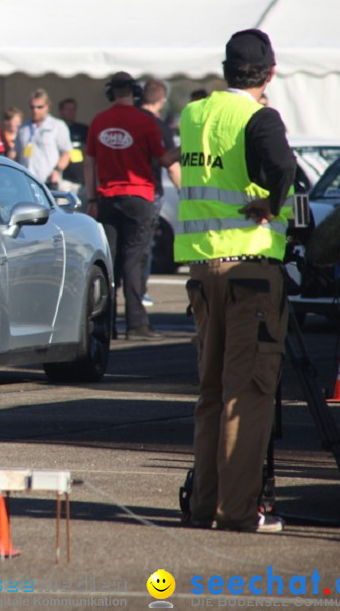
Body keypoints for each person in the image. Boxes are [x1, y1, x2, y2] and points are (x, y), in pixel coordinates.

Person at [176, 29, 295, 534]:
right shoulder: (259, 116)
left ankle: (205, 505)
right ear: (268, 73)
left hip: (203, 273)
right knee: (245, 394)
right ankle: (240, 511)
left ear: (225, 69)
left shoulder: (194, 114)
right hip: (249, 269)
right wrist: (272, 203)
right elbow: (283, 168)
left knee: (209, 393)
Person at [85, 71, 180, 341]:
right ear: (134, 93)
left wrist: (92, 199)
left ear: (110, 92)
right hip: (139, 199)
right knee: (133, 261)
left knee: (110, 261)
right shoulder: (145, 121)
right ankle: (137, 324)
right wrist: (187, 148)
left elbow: (89, 163)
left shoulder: (99, 121)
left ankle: (106, 325)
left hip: (106, 198)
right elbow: (163, 160)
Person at [139, 78, 176, 307]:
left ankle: (123, 288)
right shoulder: (159, 126)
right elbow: (170, 162)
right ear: (161, 101)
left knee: (124, 248)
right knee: (144, 246)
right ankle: (139, 290)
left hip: (115, 190)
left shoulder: (127, 120)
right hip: (149, 189)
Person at [17, 89, 72, 189]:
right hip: (26, 183)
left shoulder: (57, 126)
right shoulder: (23, 127)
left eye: (39, 107)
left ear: (48, 106)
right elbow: (17, 154)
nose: (35, 110)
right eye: (32, 107)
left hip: (48, 183)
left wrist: (56, 171)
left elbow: (66, 153)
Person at [58, 98, 89, 187]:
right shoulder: (55, 129)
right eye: (68, 109)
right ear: (61, 112)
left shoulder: (83, 130)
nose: (71, 112)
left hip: (80, 179)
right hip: (62, 179)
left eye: (73, 109)